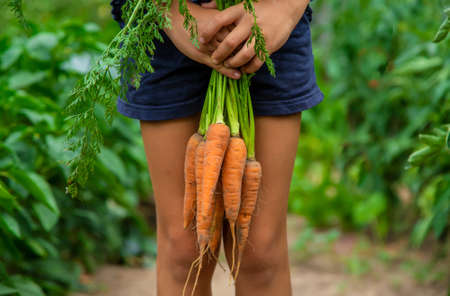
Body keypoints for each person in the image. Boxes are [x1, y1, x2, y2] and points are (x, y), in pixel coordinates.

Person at [110, 0, 323, 295]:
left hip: (269, 21)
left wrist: (287, 7)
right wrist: (171, 12)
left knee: (260, 254)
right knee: (184, 253)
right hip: (161, 22)